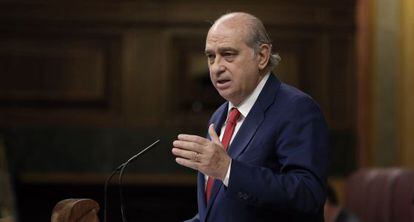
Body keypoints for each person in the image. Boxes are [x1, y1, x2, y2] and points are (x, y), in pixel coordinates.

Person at [172, 12, 329, 222]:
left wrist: (227, 169)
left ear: (262, 56)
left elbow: (308, 196)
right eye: (211, 56)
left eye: (228, 54)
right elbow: (219, 214)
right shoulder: (219, 117)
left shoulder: (296, 109)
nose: (216, 67)